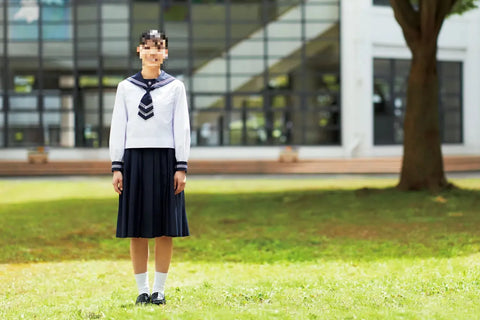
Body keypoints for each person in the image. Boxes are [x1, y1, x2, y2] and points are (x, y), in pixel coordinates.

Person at [109, 30, 190, 306]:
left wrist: (181, 166)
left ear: (165, 53)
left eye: (159, 48)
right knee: (137, 228)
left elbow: (181, 127)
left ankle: (160, 290)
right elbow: (119, 126)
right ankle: (142, 289)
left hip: (166, 161)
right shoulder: (125, 88)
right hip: (134, 162)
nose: (153, 52)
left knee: (165, 228)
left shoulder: (175, 87)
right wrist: (117, 165)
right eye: (148, 47)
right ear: (139, 51)